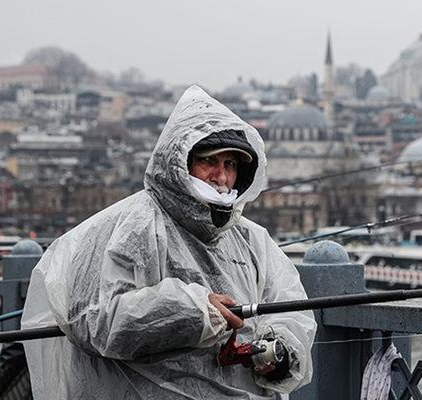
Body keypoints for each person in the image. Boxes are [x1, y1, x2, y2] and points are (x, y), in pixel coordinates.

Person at [21, 85, 317, 399]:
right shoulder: (133, 225)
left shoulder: (250, 239)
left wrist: (279, 350)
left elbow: (287, 309)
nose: (221, 177)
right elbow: (93, 318)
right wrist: (194, 312)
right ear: (180, 162)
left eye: (230, 165)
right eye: (209, 162)